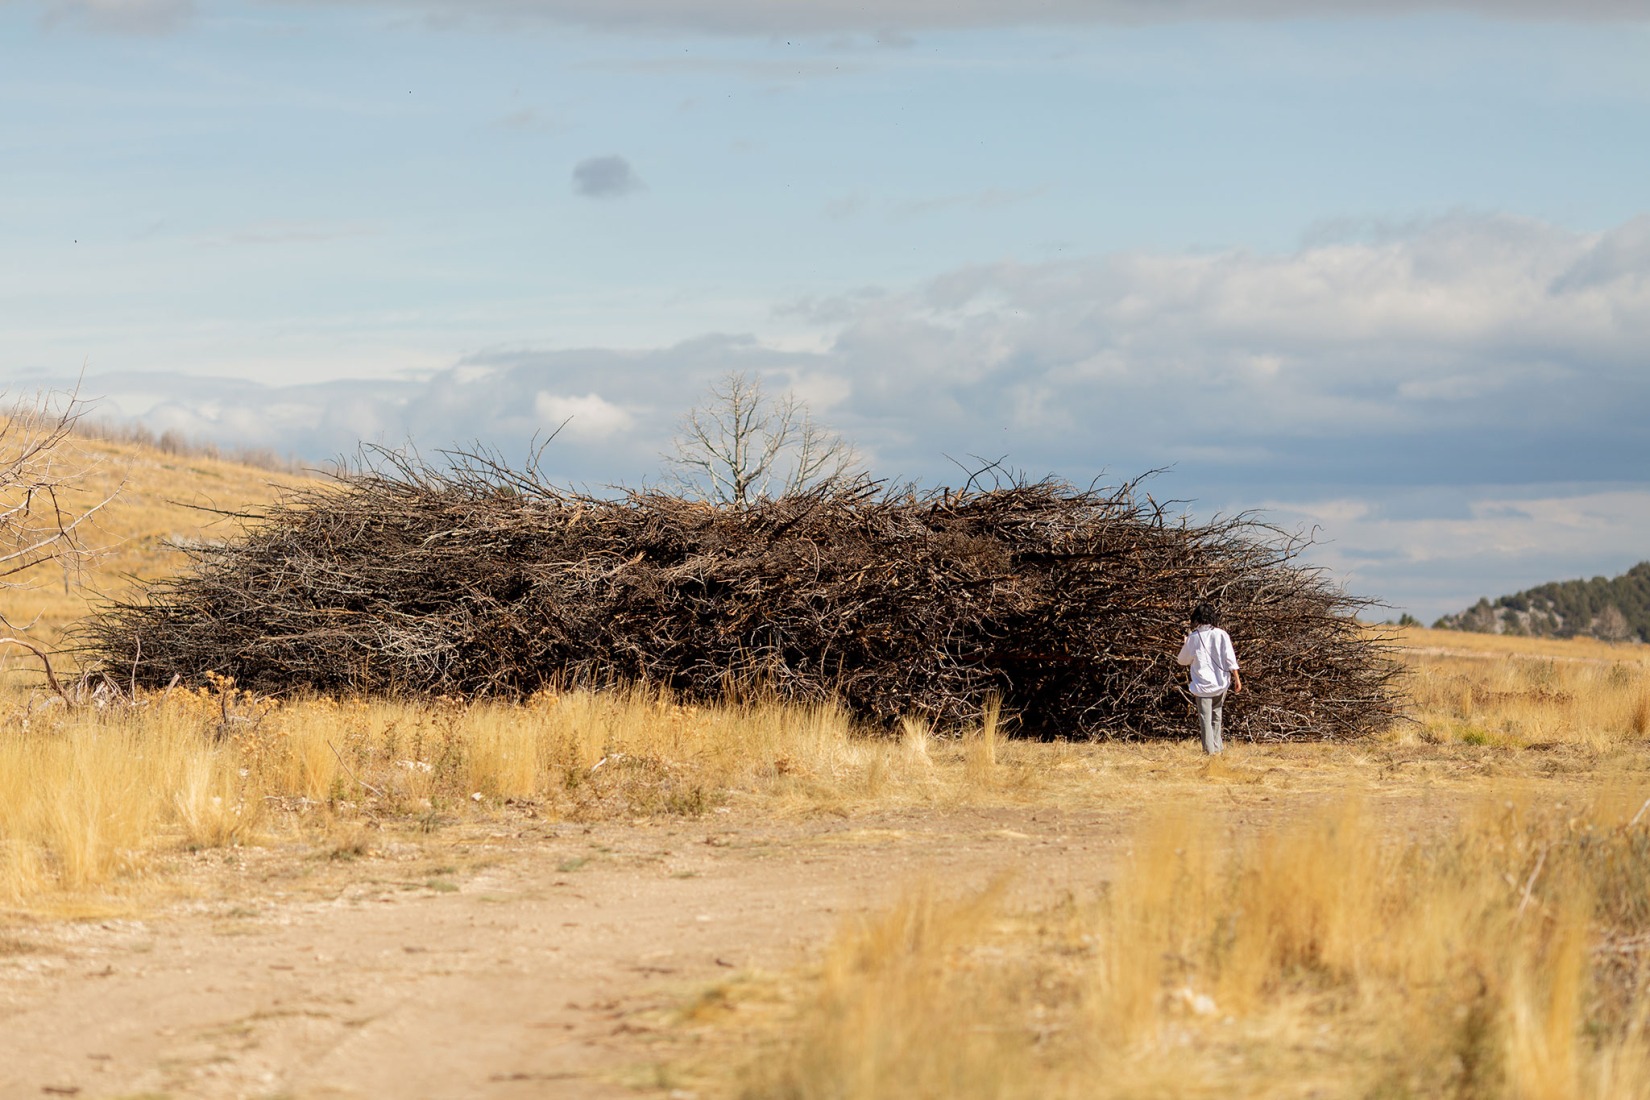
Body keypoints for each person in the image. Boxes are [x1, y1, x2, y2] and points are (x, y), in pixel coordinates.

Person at [1176, 603, 1242, 754]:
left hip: (1202, 685)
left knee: (1205, 719)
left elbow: (1182, 660)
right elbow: (1230, 658)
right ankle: (1218, 749)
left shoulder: (1193, 637)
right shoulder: (1221, 634)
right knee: (1217, 716)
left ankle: (1209, 753)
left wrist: (1186, 644)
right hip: (1221, 683)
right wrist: (1237, 679)